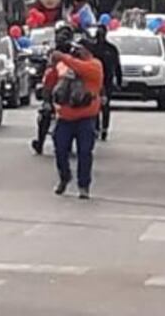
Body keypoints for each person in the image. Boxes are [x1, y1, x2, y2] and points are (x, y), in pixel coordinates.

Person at [43, 40, 103, 199]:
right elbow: (54, 75)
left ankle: (84, 186)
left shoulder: (94, 66)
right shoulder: (66, 65)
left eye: (79, 49)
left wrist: (63, 57)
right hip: (64, 118)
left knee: (85, 152)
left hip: (86, 119)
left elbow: (80, 68)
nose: (76, 51)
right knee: (60, 150)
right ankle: (64, 177)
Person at [31, 22, 75, 155]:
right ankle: (40, 142)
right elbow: (45, 72)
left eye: (66, 35)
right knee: (45, 114)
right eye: (61, 35)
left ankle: (70, 141)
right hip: (53, 90)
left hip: (69, 89)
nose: (63, 38)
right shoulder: (50, 53)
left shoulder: (75, 52)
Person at [90, 25, 123, 141]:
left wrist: (119, 81)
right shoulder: (92, 48)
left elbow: (117, 66)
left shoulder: (111, 49)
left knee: (105, 105)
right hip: (93, 80)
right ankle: (96, 127)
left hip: (107, 81)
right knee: (94, 105)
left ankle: (104, 128)